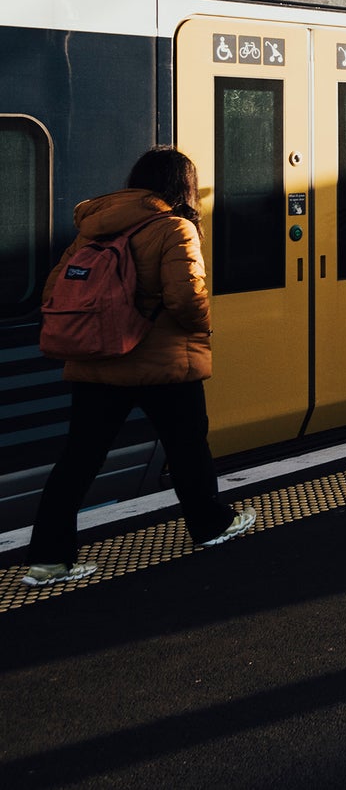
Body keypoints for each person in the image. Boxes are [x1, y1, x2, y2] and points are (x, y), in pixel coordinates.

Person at [22, 147, 254, 587]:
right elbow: (187, 299)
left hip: (97, 364)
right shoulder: (175, 228)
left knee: (78, 459)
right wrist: (203, 329)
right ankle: (212, 526)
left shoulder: (92, 229)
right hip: (163, 364)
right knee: (188, 449)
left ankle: (48, 561)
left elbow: (54, 291)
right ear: (183, 185)